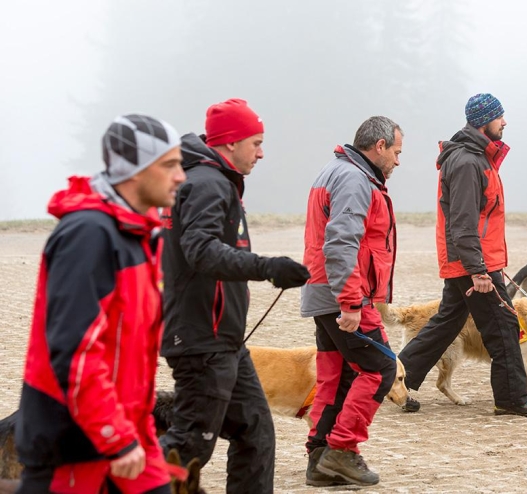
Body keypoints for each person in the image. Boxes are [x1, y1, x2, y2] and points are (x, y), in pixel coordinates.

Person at [15, 114, 186, 493]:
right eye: (169, 165)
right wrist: (113, 435)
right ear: (134, 171)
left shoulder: (139, 232)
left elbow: (132, 349)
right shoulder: (88, 234)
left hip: (130, 435)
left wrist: (135, 431)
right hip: (76, 442)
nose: (180, 176)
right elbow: (75, 350)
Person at [158, 98, 310, 493]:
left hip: (223, 339)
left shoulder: (209, 179)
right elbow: (201, 250)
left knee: (255, 433)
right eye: (255, 143)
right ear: (230, 142)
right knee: (189, 444)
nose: (261, 153)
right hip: (202, 340)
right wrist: (267, 267)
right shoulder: (207, 183)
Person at [398, 93, 527, 418]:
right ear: (484, 121)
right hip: (473, 263)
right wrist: (478, 270)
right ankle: (511, 398)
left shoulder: (477, 158)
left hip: (470, 260)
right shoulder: (468, 162)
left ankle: (393, 379)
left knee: (446, 324)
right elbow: (463, 222)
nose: (504, 122)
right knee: (504, 326)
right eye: (499, 116)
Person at [300, 116, 403, 487]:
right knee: (381, 368)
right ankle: (342, 450)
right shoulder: (354, 179)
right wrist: (351, 302)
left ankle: (320, 459)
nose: (397, 161)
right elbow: (341, 241)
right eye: (396, 152)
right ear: (379, 146)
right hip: (342, 293)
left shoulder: (335, 171)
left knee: (338, 376)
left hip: (323, 290)